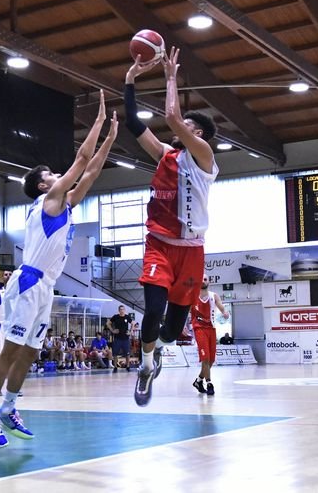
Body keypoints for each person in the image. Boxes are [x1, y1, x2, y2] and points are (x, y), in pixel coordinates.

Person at [0, 89, 117, 448]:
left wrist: (111, 139)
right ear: (43, 184)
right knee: (10, 351)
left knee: (31, 353)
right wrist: (98, 122)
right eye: (53, 173)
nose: (59, 175)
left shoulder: (65, 205)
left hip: (46, 286)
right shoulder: (48, 201)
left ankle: (9, 408)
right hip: (27, 281)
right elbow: (82, 159)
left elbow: (93, 170)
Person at [124, 48, 219, 407]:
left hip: (191, 252)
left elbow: (173, 116)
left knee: (173, 327)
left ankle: (159, 349)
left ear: (200, 137)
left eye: (192, 129)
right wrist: (131, 80)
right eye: (186, 128)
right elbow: (134, 123)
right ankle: (145, 365)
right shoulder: (166, 154)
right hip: (159, 245)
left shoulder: (205, 159)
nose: (183, 129)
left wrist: (170, 77)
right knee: (152, 309)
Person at [191, 275, 229, 396]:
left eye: (205, 279)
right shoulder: (192, 296)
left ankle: (198, 381)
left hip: (211, 329)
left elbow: (221, 306)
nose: (203, 281)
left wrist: (225, 312)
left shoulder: (214, 296)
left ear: (209, 282)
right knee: (205, 358)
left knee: (211, 360)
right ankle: (209, 383)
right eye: (201, 279)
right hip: (199, 328)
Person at [106, 305, 131, 372]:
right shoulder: (115, 317)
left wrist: (130, 331)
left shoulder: (127, 317)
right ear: (119, 310)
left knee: (127, 353)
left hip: (125, 338)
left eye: (123, 309)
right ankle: (115, 367)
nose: (122, 310)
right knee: (115, 353)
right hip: (117, 338)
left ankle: (128, 366)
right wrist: (112, 330)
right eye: (120, 309)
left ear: (124, 310)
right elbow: (108, 323)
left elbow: (133, 323)